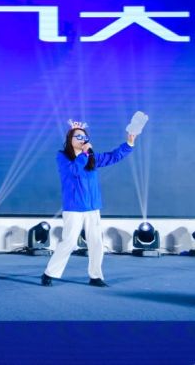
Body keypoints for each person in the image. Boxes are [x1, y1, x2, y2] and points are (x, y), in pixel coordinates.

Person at [41, 120, 136, 287]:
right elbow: (74, 171)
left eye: (84, 137)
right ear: (70, 139)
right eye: (77, 136)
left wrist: (129, 143)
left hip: (92, 208)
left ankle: (95, 276)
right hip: (74, 207)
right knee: (69, 242)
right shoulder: (63, 157)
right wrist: (85, 154)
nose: (81, 139)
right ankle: (49, 273)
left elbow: (113, 156)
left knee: (96, 242)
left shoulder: (91, 158)